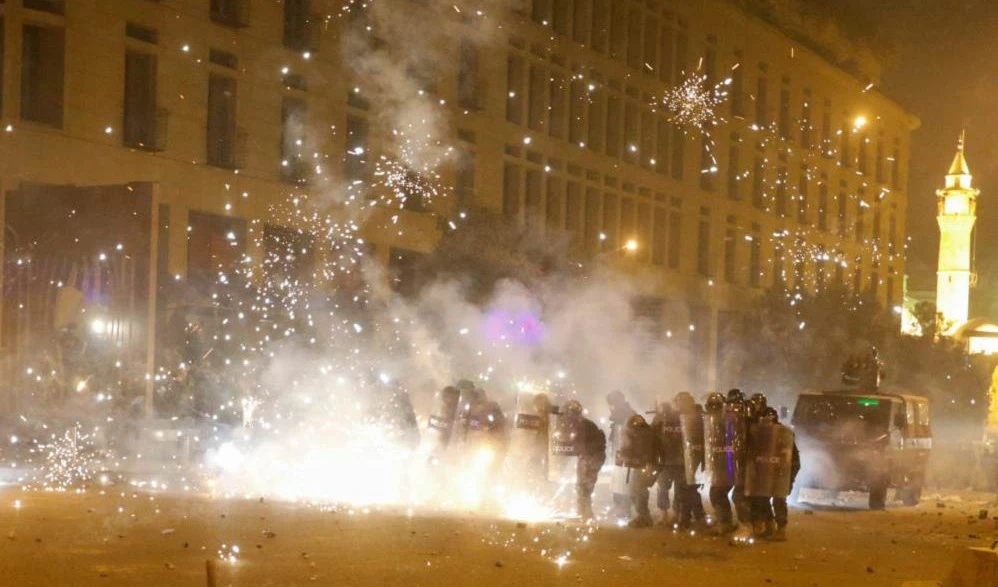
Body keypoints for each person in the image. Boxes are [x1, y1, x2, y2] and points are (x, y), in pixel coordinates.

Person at [748, 407, 801, 541]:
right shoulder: (758, 436)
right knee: (762, 499)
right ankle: (769, 525)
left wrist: (789, 478)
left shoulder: (784, 435)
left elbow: (794, 461)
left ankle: (781, 529)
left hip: (780, 474)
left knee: (779, 500)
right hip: (764, 473)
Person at [559, 400, 606, 522]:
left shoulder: (583, 425)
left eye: (566, 414)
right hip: (590, 457)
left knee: (584, 487)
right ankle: (584, 514)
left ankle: (586, 515)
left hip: (592, 457)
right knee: (583, 487)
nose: (565, 417)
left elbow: (583, 444)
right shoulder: (583, 424)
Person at [617, 414, 658, 528]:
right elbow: (628, 449)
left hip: (644, 466)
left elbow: (649, 451)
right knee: (636, 490)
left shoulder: (646, 435)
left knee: (640, 491)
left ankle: (643, 516)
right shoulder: (640, 433)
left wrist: (647, 464)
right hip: (638, 465)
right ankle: (643, 515)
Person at [652, 399, 685, 526]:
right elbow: (652, 437)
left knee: (678, 488)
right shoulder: (658, 419)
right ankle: (664, 513)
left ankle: (676, 513)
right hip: (665, 460)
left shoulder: (681, 418)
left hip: (679, 460)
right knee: (663, 487)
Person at [607, 390, 638, 518]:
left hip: (626, 452)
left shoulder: (628, 414)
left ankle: (625, 508)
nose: (612, 406)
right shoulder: (619, 414)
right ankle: (619, 506)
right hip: (618, 451)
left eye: (613, 403)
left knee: (625, 480)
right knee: (617, 479)